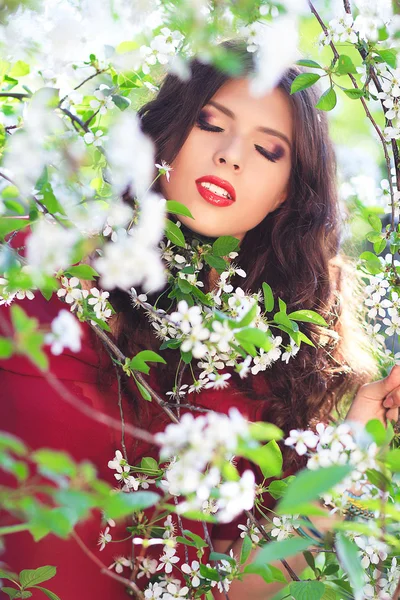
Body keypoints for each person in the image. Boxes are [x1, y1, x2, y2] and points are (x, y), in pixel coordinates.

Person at [1, 38, 400, 600]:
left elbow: (239, 587)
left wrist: (357, 439)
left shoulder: (277, 364)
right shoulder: (34, 267)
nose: (231, 155)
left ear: (288, 195)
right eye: (211, 123)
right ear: (167, 133)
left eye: (268, 151)